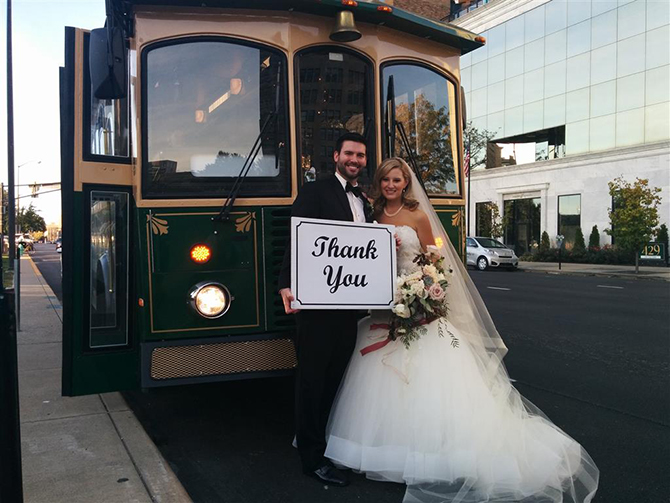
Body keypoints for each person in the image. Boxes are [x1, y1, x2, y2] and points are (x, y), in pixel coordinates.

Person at [325, 158, 599, 503]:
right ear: (379, 184)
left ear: (405, 183)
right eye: (385, 180)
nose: (391, 185)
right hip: (384, 307)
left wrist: (421, 290)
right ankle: (382, 450)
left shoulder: (418, 216)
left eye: (397, 180)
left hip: (414, 302)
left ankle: (427, 455)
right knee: (377, 384)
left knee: (429, 386)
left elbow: (434, 258)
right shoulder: (372, 215)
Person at [278, 132, 373, 487]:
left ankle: (325, 445)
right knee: (312, 381)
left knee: (335, 377)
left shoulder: (363, 200)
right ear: (336, 156)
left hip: (349, 308)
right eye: (349, 153)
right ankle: (311, 458)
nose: (355, 160)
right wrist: (287, 283)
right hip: (317, 306)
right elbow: (297, 237)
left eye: (361, 155)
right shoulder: (316, 191)